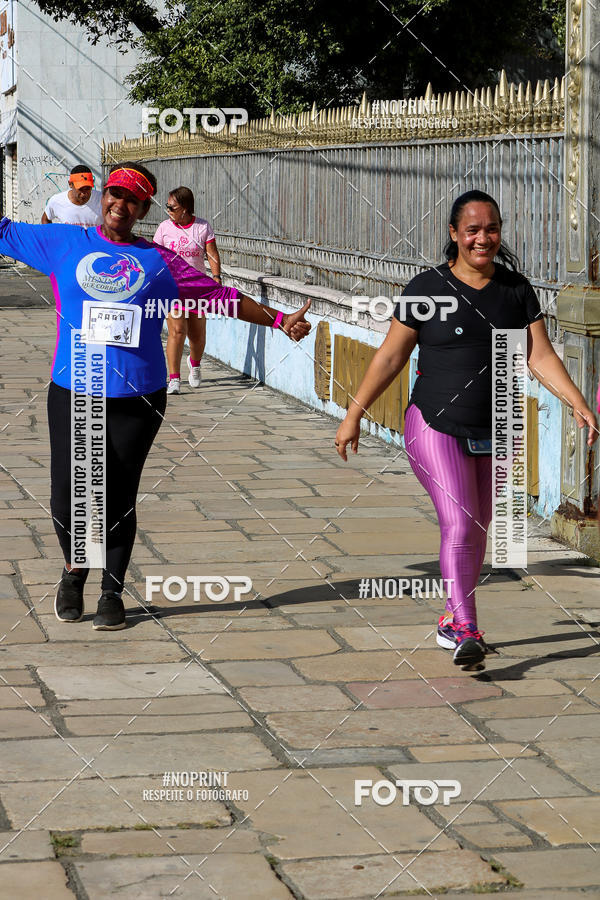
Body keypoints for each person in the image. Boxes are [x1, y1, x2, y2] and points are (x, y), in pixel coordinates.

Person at [0, 161, 310, 631]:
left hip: (137, 396)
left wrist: (279, 319)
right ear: (102, 198)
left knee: (118, 494)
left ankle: (111, 590)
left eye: (131, 199)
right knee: (71, 494)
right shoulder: (63, 242)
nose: (118, 205)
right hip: (74, 390)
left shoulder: (159, 261)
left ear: (144, 209)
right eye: (113, 194)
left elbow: (219, 296)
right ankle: (73, 569)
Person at [335, 190, 598, 668]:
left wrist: (577, 401)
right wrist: (355, 413)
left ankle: (449, 619)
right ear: (454, 234)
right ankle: (466, 628)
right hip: (434, 424)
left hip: (498, 426)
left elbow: (538, 355)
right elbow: (392, 356)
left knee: (480, 528)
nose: (483, 238)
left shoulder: (515, 291)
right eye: (473, 229)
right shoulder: (426, 288)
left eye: (491, 228)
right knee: (458, 522)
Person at [153, 187, 220, 394]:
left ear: (185, 208)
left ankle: (195, 363)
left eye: (172, 207)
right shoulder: (164, 227)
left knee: (197, 335)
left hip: (197, 287)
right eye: (167, 207)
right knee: (177, 330)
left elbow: (212, 254)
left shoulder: (202, 227)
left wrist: (216, 278)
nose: (168, 211)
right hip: (172, 287)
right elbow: (155, 255)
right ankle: (173, 378)